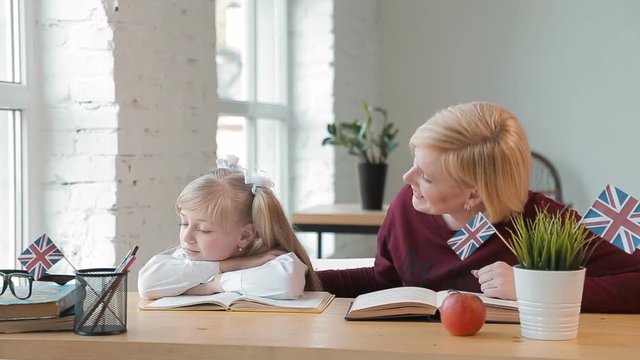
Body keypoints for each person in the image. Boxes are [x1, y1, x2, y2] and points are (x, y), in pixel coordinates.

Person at [318, 101, 640, 313]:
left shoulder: (550, 219)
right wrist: (308, 278)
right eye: (414, 163)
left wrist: (532, 287)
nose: (407, 178)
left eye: (427, 177)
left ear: (474, 194)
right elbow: (385, 281)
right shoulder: (407, 203)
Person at [138, 156, 321, 300]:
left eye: (203, 230)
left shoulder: (270, 258)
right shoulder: (189, 256)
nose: (187, 237)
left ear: (244, 236)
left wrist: (214, 285)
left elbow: (286, 282)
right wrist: (230, 266)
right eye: (184, 223)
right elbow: (148, 282)